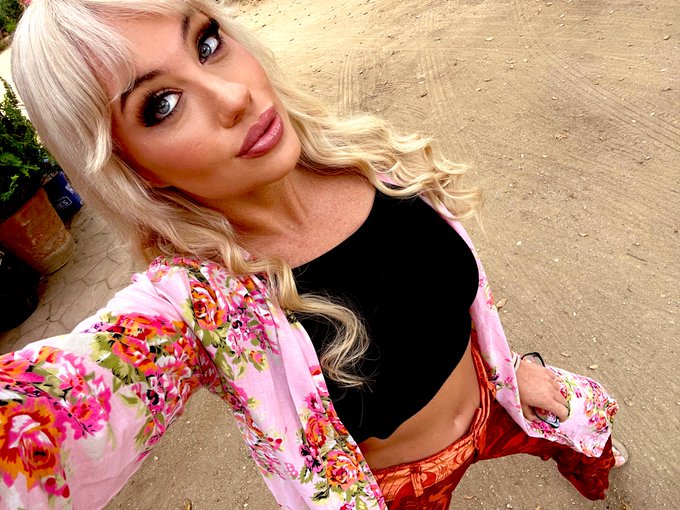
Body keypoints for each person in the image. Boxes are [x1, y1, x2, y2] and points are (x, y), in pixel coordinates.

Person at [1, 0, 626, 508]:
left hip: (501, 396)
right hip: (399, 491)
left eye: (207, 42)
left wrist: (508, 370)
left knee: (586, 429)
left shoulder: (355, 157)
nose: (233, 96)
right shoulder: (197, 307)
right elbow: (44, 423)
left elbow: (431, 304)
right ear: (129, 168)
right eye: (160, 104)